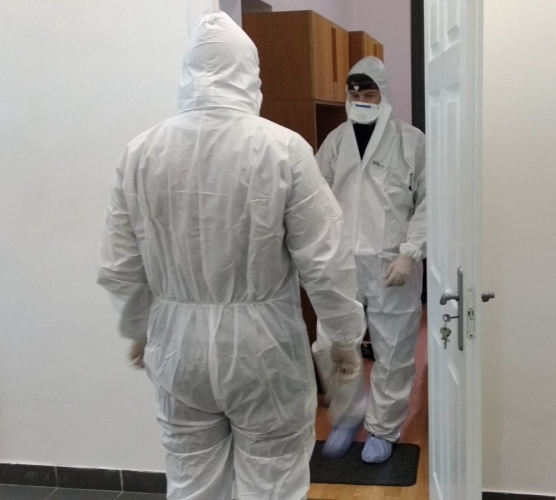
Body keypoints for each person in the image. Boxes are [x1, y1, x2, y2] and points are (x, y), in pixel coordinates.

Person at [97, 11, 363, 500]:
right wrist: (343, 339)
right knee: (273, 483)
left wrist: (138, 327)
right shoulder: (282, 149)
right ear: (249, 72)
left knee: (192, 482)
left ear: (187, 72)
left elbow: (120, 264)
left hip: (178, 350)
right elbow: (326, 260)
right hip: (264, 351)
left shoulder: (140, 153)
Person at [312, 56, 426, 464]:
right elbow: (315, 198)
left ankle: (383, 429)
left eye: (369, 93)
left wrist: (410, 253)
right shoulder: (336, 141)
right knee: (332, 344)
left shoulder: (411, 142)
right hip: (342, 263)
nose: (359, 99)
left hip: (391, 264)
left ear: (384, 95)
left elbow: (430, 201)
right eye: (354, 92)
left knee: (393, 350)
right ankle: (347, 416)